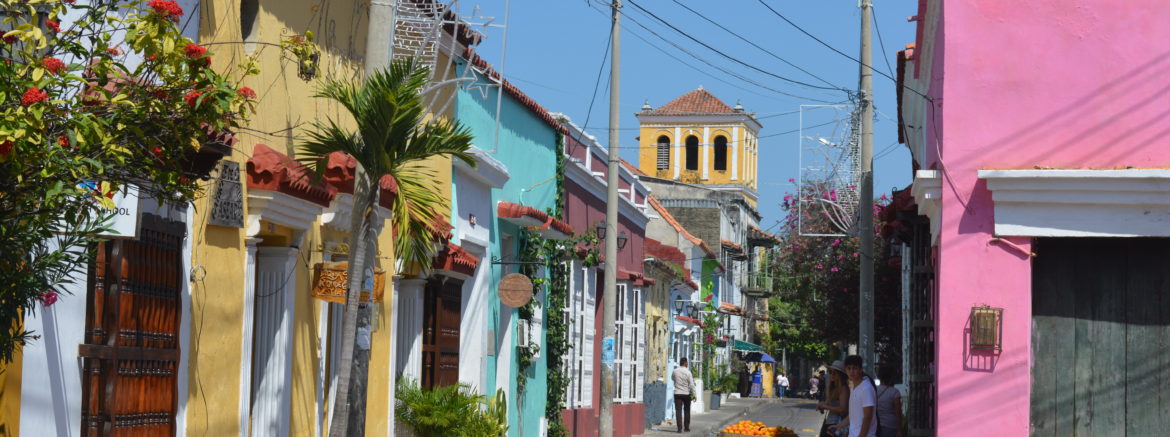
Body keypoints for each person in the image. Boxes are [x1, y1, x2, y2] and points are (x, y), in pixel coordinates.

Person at [831, 355, 878, 437]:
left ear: (861, 369)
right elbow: (853, 415)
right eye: (849, 368)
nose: (851, 371)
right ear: (845, 370)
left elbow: (868, 417)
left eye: (854, 368)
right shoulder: (853, 387)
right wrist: (838, 426)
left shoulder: (866, 388)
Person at [816, 361, 850, 437]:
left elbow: (843, 410)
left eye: (834, 373)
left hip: (837, 425)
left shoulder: (843, 388)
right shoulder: (834, 387)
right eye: (830, 372)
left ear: (840, 375)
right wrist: (822, 404)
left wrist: (825, 406)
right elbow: (832, 403)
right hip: (830, 423)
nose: (831, 375)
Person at [875, 366, 904, 437]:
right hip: (891, 427)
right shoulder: (895, 392)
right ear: (891, 377)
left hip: (876, 426)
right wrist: (899, 430)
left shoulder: (874, 390)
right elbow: (898, 412)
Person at [672, 358, 695, 433]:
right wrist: (694, 394)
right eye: (687, 362)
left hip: (677, 393)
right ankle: (686, 427)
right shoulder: (688, 372)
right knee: (687, 410)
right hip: (686, 393)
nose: (687, 364)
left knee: (678, 411)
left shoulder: (675, 371)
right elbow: (691, 384)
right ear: (685, 363)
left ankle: (679, 429)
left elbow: (672, 378)